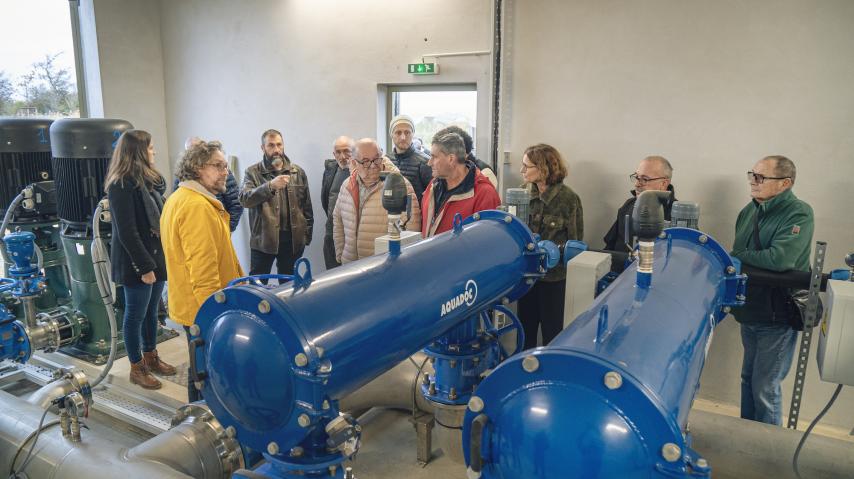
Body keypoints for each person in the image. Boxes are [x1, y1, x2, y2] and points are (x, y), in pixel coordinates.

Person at [731, 155, 814, 426]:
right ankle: (747, 437)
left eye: (761, 177)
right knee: (747, 379)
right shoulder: (748, 211)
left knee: (765, 387)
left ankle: (767, 452)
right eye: (752, 175)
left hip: (777, 315)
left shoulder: (799, 212)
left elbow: (781, 259)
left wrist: (740, 255)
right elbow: (745, 257)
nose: (753, 182)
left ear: (784, 184)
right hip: (750, 309)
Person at [161, 140, 244, 401]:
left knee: (199, 370)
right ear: (198, 168)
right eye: (218, 166)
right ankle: (201, 427)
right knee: (207, 375)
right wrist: (213, 318)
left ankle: (196, 422)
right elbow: (203, 271)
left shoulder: (180, 198)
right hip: (203, 309)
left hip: (190, 305)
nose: (225, 172)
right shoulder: (197, 207)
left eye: (225, 166)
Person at [104, 130, 176, 390]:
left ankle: (151, 356)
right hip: (136, 261)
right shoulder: (121, 184)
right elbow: (127, 232)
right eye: (150, 148)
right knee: (135, 315)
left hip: (155, 254)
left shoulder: (150, 182)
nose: (154, 152)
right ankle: (137, 367)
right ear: (138, 152)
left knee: (151, 313)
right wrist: (144, 267)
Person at [516, 144, 583, 349]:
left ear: (543, 169)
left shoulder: (569, 199)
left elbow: (576, 245)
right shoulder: (521, 195)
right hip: (527, 278)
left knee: (552, 335)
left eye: (527, 166)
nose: (522, 171)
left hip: (554, 281)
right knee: (523, 332)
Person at [332, 138, 421, 264]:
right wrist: (341, 254)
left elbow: (411, 227)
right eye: (366, 161)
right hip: (350, 266)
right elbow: (337, 220)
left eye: (377, 159)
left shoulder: (400, 185)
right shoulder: (347, 186)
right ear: (354, 162)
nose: (373, 165)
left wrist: (399, 263)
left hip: (382, 267)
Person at [239, 129, 313, 277]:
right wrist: (270, 186)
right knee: (258, 284)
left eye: (279, 145)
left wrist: (306, 236)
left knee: (290, 285)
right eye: (271, 145)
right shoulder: (252, 172)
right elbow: (244, 199)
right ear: (263, 148)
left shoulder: (297, 172)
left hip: (293, 242)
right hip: (263, 241)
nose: (276, 150)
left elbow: (307, 207)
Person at [421, 132, 501, 237]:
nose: (429, 162)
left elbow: (488, 243)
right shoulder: (433, 186)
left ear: (451, 159)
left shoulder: (485, 194)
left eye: (434, 157)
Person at [603, 156, 676, 251]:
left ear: (663, 183)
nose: (636, 184)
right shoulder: (628, 205)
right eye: (637, 177)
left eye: (645, 179)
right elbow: (609, 248)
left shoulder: (679, 217)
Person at [173, 137, 243, 232]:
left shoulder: (221, 175)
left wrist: (227, 229)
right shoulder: (197, 204)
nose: (225, 172)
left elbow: (236, 202)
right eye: (218, 165)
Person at [321, 136, 353, 269]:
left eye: (346, 151)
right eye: (338, 152)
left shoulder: (361, 171)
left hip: (350, 233)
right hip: (331, 231)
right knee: (331, 273)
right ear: (334, 154)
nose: (342, 156)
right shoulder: (330, 170)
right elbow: (325, 199)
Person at [387, 115, 432, 204]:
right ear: (391, 135)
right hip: (390, 214)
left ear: (413, 134)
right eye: (398, 133)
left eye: (407, 132)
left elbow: (431, 197)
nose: (403, 137)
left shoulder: (426, 162)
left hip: (416, 215)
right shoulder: (386, 160)